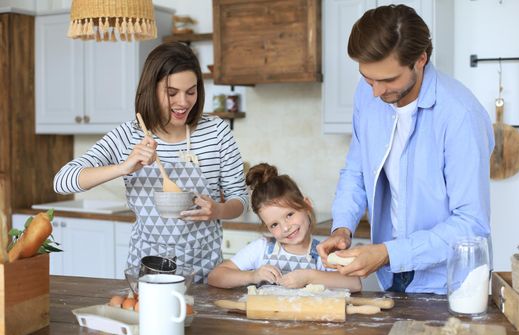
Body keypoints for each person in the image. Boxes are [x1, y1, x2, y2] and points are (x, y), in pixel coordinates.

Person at [317, 4, 494, 294]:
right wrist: (342, 227)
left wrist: (388, 253)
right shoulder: (368, 94)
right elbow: (356, 171)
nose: (376, 91)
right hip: (391, 276)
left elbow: (471, 225)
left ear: (420, 59)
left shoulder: (461, 116)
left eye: (388, 80)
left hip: (449, 284)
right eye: (367, 77)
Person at [54, 41, 249, 283]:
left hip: (206, 275)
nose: (183, 102)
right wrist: (123, 167)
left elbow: (240, 199)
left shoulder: (217, 132)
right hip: (147, 275)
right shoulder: (127, 136)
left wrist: (218, 210)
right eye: (171, 93)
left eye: (191, 91)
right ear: (151, 90)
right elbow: (62, 182)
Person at [208, 163, 362, 291]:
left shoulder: (323, 253)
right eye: (274, 224)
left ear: (307, 206)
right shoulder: (261, 249)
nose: (286, 228)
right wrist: (252, 276)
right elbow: (216, 276)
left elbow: (354, 284)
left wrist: (309, 277)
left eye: (289, 215)